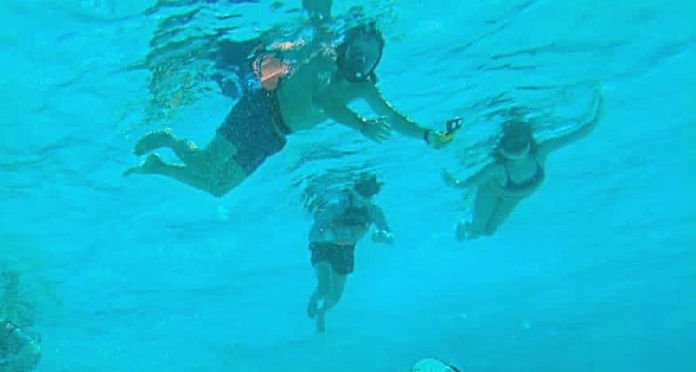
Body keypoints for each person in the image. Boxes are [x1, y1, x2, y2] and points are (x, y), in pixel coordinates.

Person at [126, 21, 457, 196]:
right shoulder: (326, 60)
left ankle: (158, 166)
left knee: (217, 186)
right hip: (260, 109)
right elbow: (326, 101)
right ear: (346, 47)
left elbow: (393, 116)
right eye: (357, 50)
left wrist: (428, 136)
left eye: (369, 56)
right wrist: (362, 125)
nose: (360, 59)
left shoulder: (364, 87)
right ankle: (169, 139)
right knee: (205, 163)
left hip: (276, 134)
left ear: (376, 62)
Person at [444, 93, 604, 240]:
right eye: (510, 144)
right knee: (478, 230)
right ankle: (463, 223)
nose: (516, 149)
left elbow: (581, 132)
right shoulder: (498, 168)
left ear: (529, 141)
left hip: (515, 196)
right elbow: (465, 183)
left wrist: (599, 107)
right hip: (491, 190)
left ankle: (467, 224)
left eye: (519, 141)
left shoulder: (541, 151)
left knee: (490, 231)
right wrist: (453, 182)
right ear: (501, 149)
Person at [306, 175, 393, 332]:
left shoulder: (373, 210)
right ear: (352, 191)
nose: (363, 201)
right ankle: (314, 300)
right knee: (324, 286)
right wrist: (335, 234)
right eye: (360, 196)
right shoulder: (337, 205)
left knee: (335, 297)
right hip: (323, 246)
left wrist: (382, 236)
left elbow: (387, 232)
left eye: (368, 197)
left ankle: (322, 311)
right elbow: (313, 234)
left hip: (345, 250)